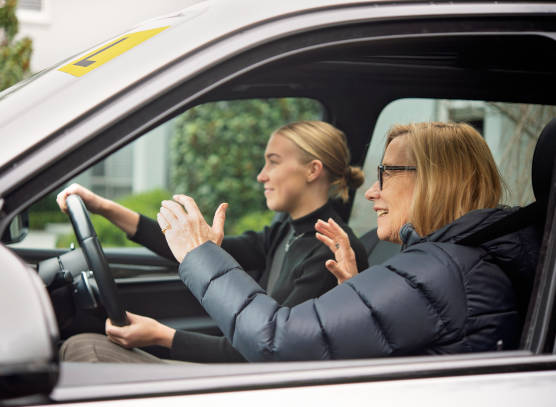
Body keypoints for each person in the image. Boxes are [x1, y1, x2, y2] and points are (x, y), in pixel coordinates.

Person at [158, 121, 541, 361]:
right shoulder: (457, 261)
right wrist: (356, 291)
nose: (372, 191)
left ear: (433, 179)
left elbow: (275, 340)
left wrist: (199, 253)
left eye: (386, 174)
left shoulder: (440, 270)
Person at [57, 120, 369, 363]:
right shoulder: (287, 232)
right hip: (240, 363)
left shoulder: (331, 250)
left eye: (273, 162)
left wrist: (161, 336)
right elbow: (189, 252)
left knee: (85, 350)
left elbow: (269, 350)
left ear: (313, 170)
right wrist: (102, 207)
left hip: (254, 381)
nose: (262, 175)